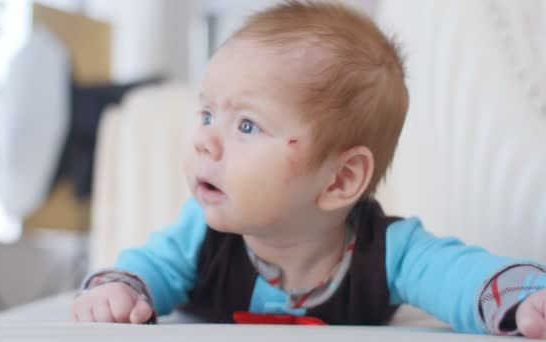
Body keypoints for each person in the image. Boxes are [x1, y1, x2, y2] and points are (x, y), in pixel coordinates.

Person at [71, 1, 546, 337]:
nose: (204, 141)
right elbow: (148, 269)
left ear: (341, 180)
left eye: (248, 125)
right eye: (207, 115)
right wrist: (119, 290)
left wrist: (524, 298)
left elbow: (460, 275)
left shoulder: (386, 253)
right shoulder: (200, 237)